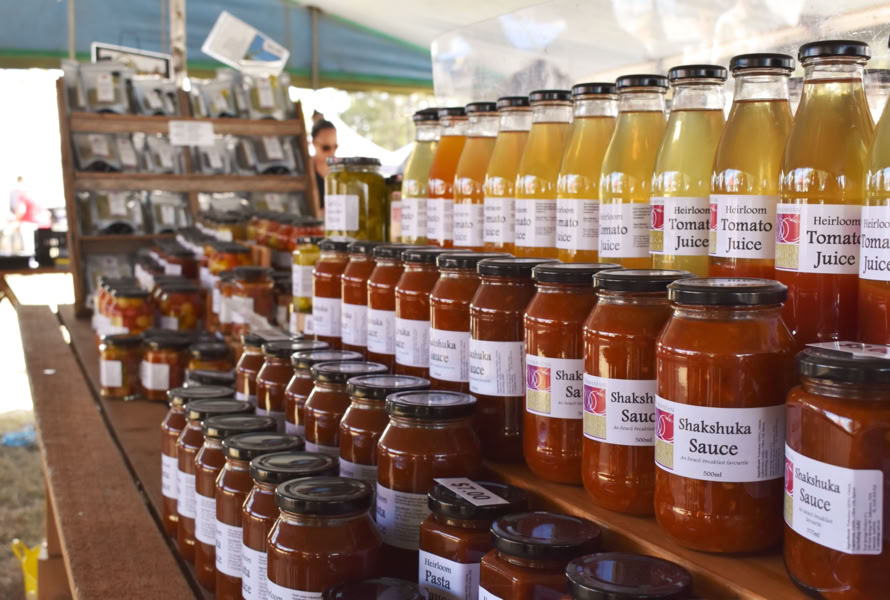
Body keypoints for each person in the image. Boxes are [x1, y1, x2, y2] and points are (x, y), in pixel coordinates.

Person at [311, 119, 337, 216]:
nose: (332, 152)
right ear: (314, 143)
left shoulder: (339, 172)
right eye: (326, 148)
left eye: (335, 146)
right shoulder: (305, 172)